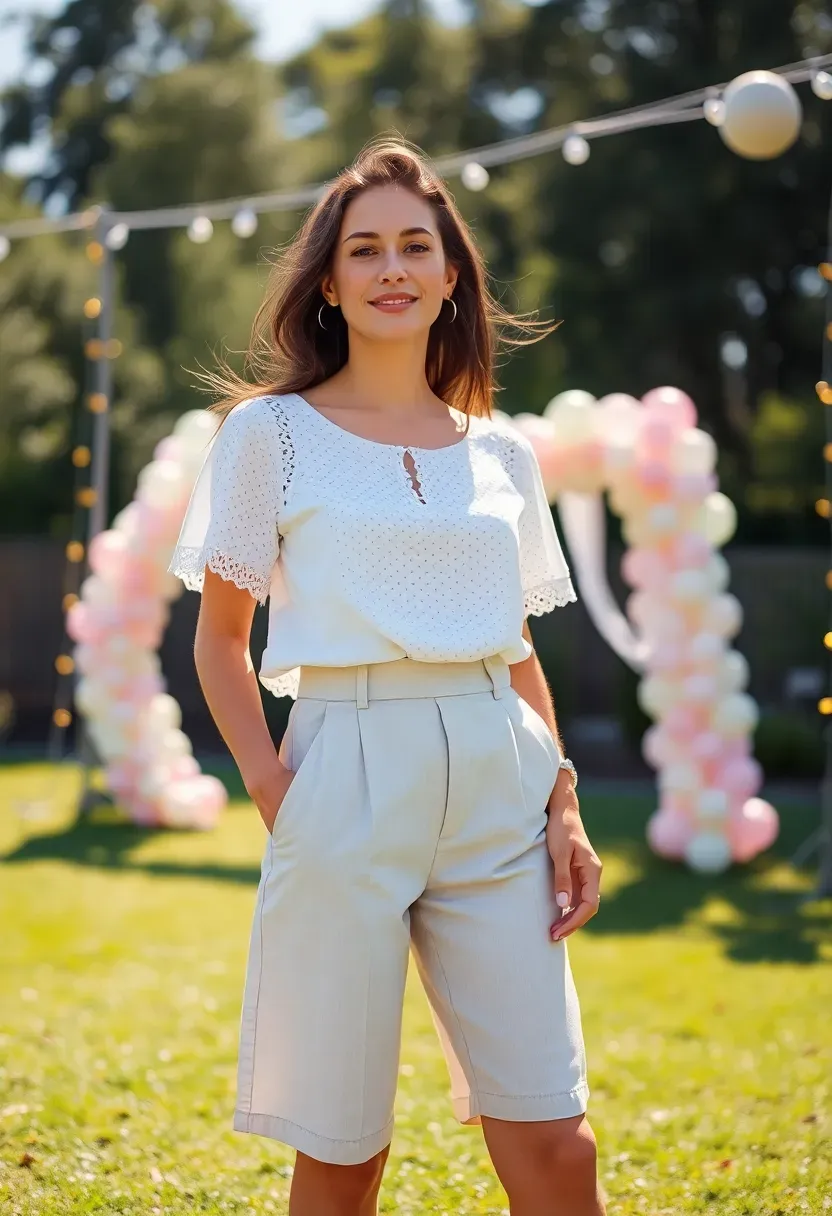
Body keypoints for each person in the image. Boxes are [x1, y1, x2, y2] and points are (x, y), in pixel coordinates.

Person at [169, 135, 605, 1216]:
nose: (394, 268)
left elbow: (513, 645)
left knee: (558, 1143)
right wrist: (281, 792)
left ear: (452, 273)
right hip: (341, 771)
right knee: (343, 1152)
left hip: (500, 781)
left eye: (418, 245)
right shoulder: (267, 435)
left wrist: (564, 803)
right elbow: (220, 642)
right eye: (366, 250)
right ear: (329, 280)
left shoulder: (501, 453)